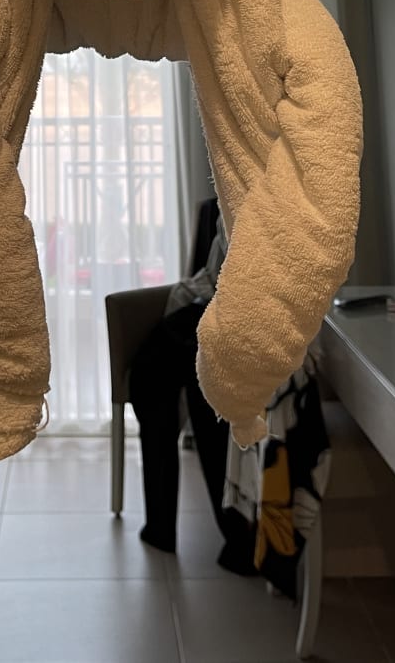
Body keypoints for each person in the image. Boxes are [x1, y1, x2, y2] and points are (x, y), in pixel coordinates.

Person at [128, 200, 257, 570]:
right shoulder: (233, 205)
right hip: (214, 315)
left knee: (187, 380)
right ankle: (222, 530)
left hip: (234, 324)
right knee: (164, 374)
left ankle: (224, 532)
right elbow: (215, 275)